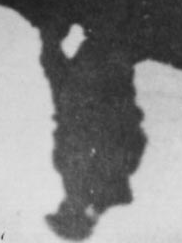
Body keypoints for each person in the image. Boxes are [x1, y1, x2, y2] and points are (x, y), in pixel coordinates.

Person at [40, 19, 146, 240]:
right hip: (102, 98)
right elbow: (132, 142)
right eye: (64, 213)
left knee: (58, 53)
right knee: (110, 39)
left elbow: (67, 146)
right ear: (78, 215)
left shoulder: (80, 189)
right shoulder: (104, 189)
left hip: (79, 102)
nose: (62, 206)